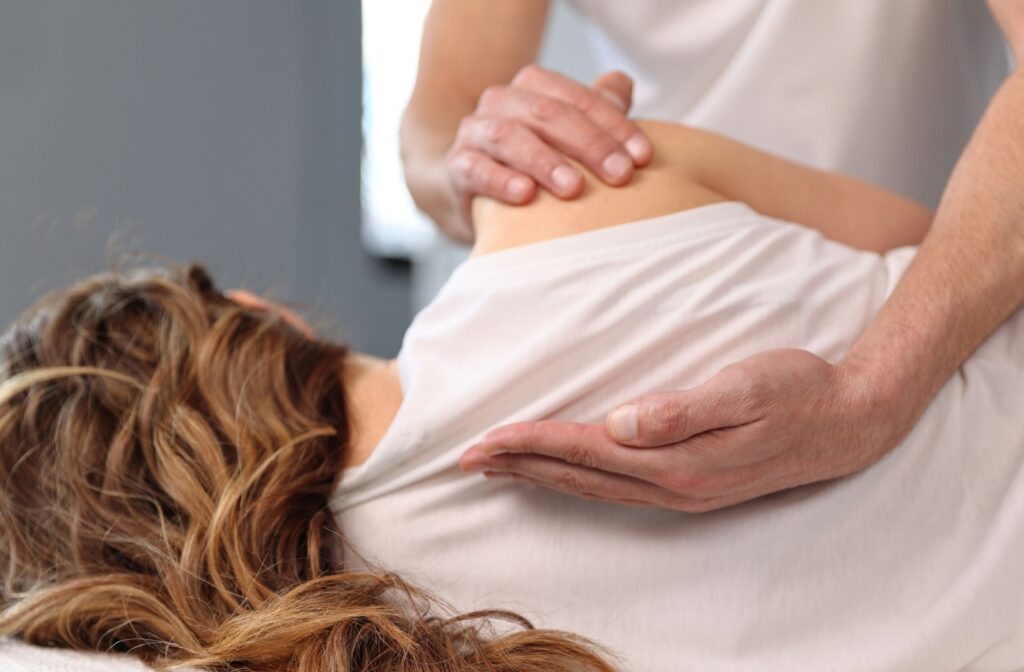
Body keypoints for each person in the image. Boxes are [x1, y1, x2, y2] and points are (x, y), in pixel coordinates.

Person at [4, 106, 1024, 669]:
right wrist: (875, 390)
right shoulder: (576, 188)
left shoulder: (375, 644)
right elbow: (975, 246)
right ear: (252, 313)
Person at [401, 0, 1024, 511]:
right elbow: (435, 125)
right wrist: (473, 170)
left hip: (945, 297)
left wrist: (873, 394)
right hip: (672, 297)